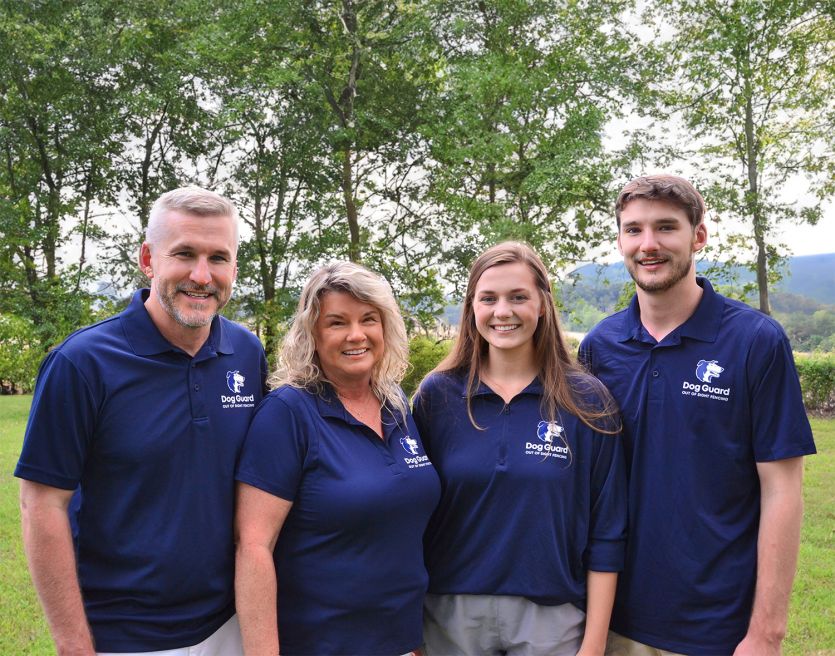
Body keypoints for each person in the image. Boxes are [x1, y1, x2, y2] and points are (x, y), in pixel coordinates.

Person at [15, 187, 268, 655]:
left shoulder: (248, 354)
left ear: (234, 268)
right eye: (185, 254)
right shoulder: (82, 363)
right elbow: (41, 506)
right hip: (124, 636)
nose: (201, 275)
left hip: (231, 623)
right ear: (148, 259)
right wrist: (74, 645)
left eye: (218, 257)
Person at [579, 174, 816, 656]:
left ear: (698, 237)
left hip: (718, 630)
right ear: (621, 239)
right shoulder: (600, 347)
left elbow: (782, 489)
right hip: (610, 621)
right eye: (633, 230)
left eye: (666, 228)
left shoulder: (755, 342)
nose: (648, 244)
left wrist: (765, 633)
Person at [413, 242, 627, 656]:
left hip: (552, 620)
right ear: (472, 307)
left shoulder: (587, 401)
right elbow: (409, 517)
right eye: (488, 298)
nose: (502, 311)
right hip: (448, 615)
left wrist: (595, 642)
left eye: (518, 297)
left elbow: (608, 530)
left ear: (543, 305)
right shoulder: (436, 397)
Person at [234, 262, 441, 656]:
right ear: (312, 333)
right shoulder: (288, 413)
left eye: (369, 319)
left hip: (400, 640)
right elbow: (253, 546)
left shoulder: (395, 403)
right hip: (320, 643)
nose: (356, 335)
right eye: (337, 323)